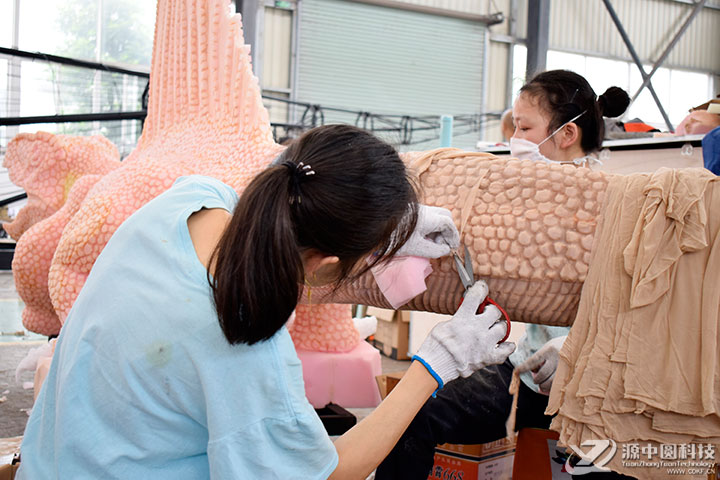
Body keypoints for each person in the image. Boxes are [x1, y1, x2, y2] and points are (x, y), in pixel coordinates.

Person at [16, 124, 515, 480]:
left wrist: (388, 229)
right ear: (326, 263)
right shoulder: (247, 343)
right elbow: (327, 471)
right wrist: (437, 363)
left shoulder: (188, 198)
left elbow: (278, 234)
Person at [375, 70, 630, 479]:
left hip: (590, 384)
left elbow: (640, 307)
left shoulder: (619, 205)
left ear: (567, 134)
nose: (515, 140)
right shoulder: (523, 199)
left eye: (525, 128)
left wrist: (578, 348)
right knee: (405, 415)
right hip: (522, 371)